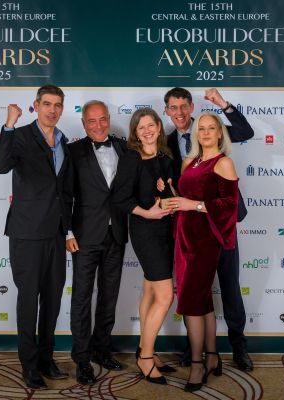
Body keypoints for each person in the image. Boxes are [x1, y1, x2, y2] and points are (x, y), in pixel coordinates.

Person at [164, 87, 254, 371]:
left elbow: (246, 131)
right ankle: (194, 349)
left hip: (220, 226)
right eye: (173, 107)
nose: (179, 112)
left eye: (183, 106)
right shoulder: (166, 142)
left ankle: (239, 347)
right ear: (167, 111)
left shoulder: (209, 128)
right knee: (194, 291)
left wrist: (222, 104)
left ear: (191, 107)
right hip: (191, 232)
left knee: (230, 289)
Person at [0, 85, 72, 390]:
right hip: (26, 233)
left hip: (56, 234)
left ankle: (46, 359)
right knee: (29, 301)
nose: (52, 110)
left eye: (57, 105)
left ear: (62, 108)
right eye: (47, 104)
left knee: (52, 300)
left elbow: (65, 192)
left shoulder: (64, 141)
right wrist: (8, 126)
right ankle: (29, 365)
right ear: (36, 106)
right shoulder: (21, 135)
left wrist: (68, 230)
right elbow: (0, 166)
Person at [166, 112, 238, 392]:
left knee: (192, 302)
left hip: (205, 240)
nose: (206, 132)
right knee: (203, 300)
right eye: (201, 128)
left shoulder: (223, 163)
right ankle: (212, 357)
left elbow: (229, 205)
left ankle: (197, 364)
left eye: (211, 128)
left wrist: (192, 205)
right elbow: (186, 196)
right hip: (184, 237)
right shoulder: (190, 162)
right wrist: (173, 197)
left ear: (220, 133)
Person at [112, 108, 176, 385]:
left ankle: (143, 348)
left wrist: (165, 189)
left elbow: (166, 193)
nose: (147, 131)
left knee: (151, 290)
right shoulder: (132, 158)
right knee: (165, 295)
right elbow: (120, 198)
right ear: (135, 133)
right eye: (141, 128)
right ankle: (146, 358)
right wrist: (147, 213)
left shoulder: (165, 156)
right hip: (146, 232)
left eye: (151, 125)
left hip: (166, 230)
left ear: (159, 127)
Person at [66, 100, 128, 385]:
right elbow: (65, 195)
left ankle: (102, 349)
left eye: (103, 119)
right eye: (92, 121)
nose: (99, 125)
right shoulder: (72, 152)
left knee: (109, 295)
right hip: (84, 236)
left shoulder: (124, 148)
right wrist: (67, 232)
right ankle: (81, 358)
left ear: (109, 119)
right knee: (81, 297)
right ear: (84, 124)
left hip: (117, 234)